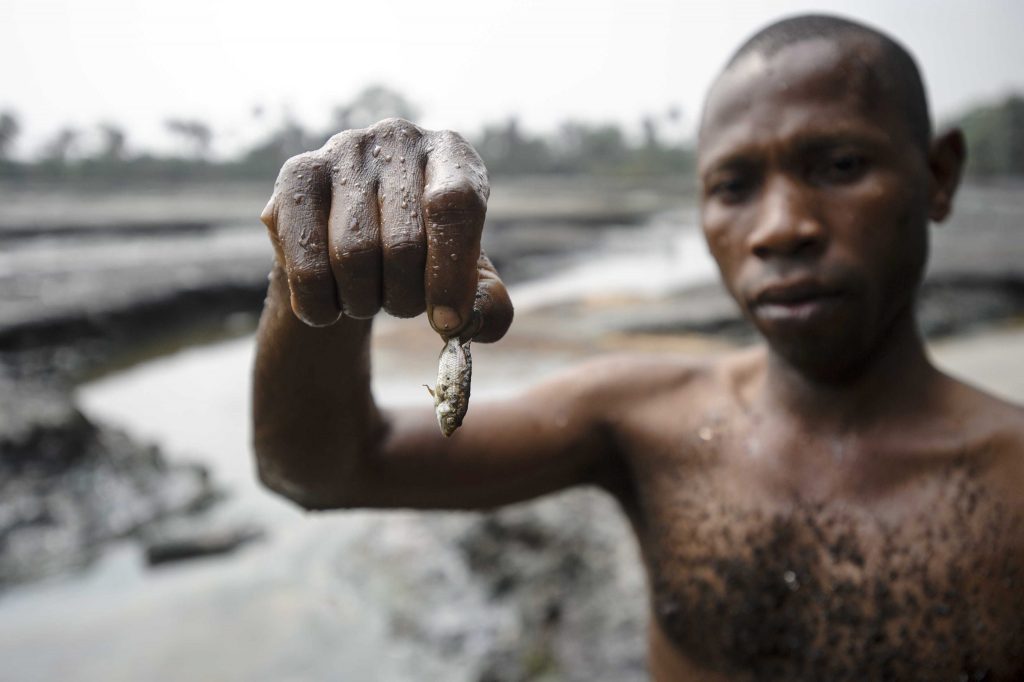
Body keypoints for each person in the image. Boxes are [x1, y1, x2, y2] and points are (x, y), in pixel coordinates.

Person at [252, 14, 1024, 681]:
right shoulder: (642, 419)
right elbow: (323, 468)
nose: (782, 225)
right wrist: (311, 274)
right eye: (734, 186)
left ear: (937, 176)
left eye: (842, 166)